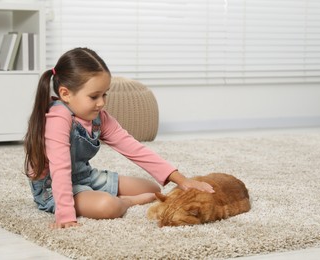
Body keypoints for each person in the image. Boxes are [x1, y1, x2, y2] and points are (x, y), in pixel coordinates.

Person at [24, 47, 214, 229]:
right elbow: (60, 168)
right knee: (108, 207)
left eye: (104, 94)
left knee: (151, 187)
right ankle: (125, 202)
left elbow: (133, 148)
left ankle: (99, 195)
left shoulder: (99, 118)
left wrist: (180, 179)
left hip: (85, 177)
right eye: (94, 96)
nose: (101, 103)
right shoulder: (58, 119)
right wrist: (65, 214)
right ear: (65, 94)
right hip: (53, 189)